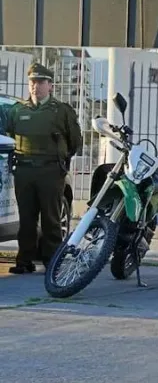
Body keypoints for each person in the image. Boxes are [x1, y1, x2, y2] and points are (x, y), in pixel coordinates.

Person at [1, 63, 81, 274]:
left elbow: (75, 141)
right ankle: (24, 260)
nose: (36, 86)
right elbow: (8, 135)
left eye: (40, 82)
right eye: (32, 82)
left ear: (50, 86)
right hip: (24, 170)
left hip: (50, 171)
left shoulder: (61, 111)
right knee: (26, 219)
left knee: (51, 219)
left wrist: (60, 160)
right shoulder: (18, 110)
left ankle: (51, 260)